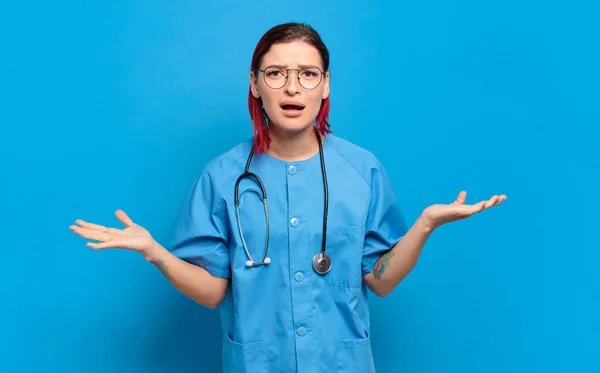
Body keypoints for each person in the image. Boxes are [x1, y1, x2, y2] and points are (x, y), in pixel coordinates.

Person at [70, 22, 506, 373]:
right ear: (256, 84)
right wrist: (153, 251)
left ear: (326, 85)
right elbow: (211, 291)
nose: (292, 88)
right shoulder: (223, 176)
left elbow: (382, 280)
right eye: (276, 73)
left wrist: (425, 225)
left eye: (308, 74)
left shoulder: (362, 170)